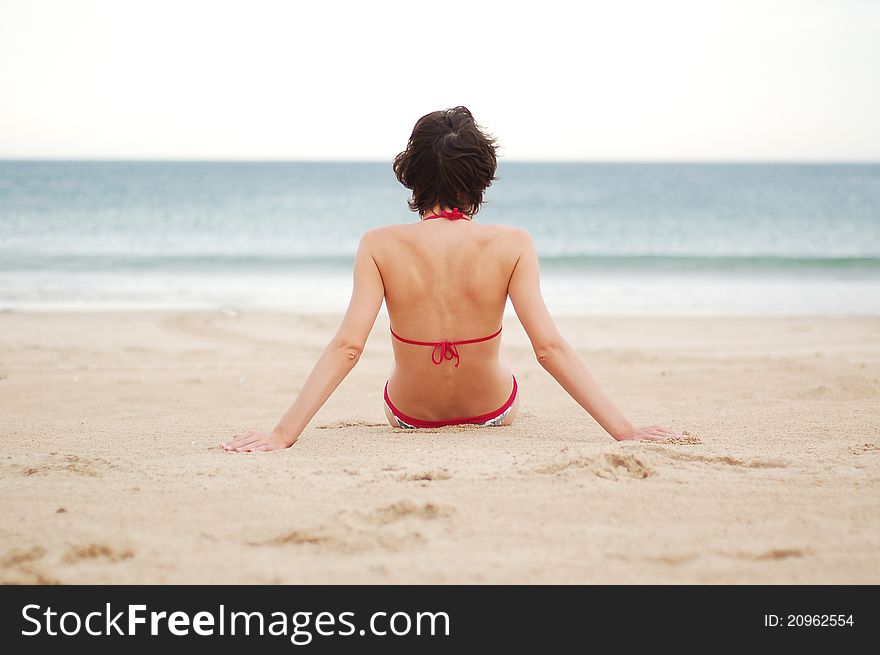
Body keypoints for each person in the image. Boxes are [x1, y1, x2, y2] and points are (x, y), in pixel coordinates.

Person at [223, 106, 680, 452]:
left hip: (407, 417)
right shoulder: (514, 243)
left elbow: (348, 347)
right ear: (483, 176)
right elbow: (548, 348)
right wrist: (626, 431)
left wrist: (282, 434)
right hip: (493, 412)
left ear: (412, 174)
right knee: (504, 368)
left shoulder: (378, 244)